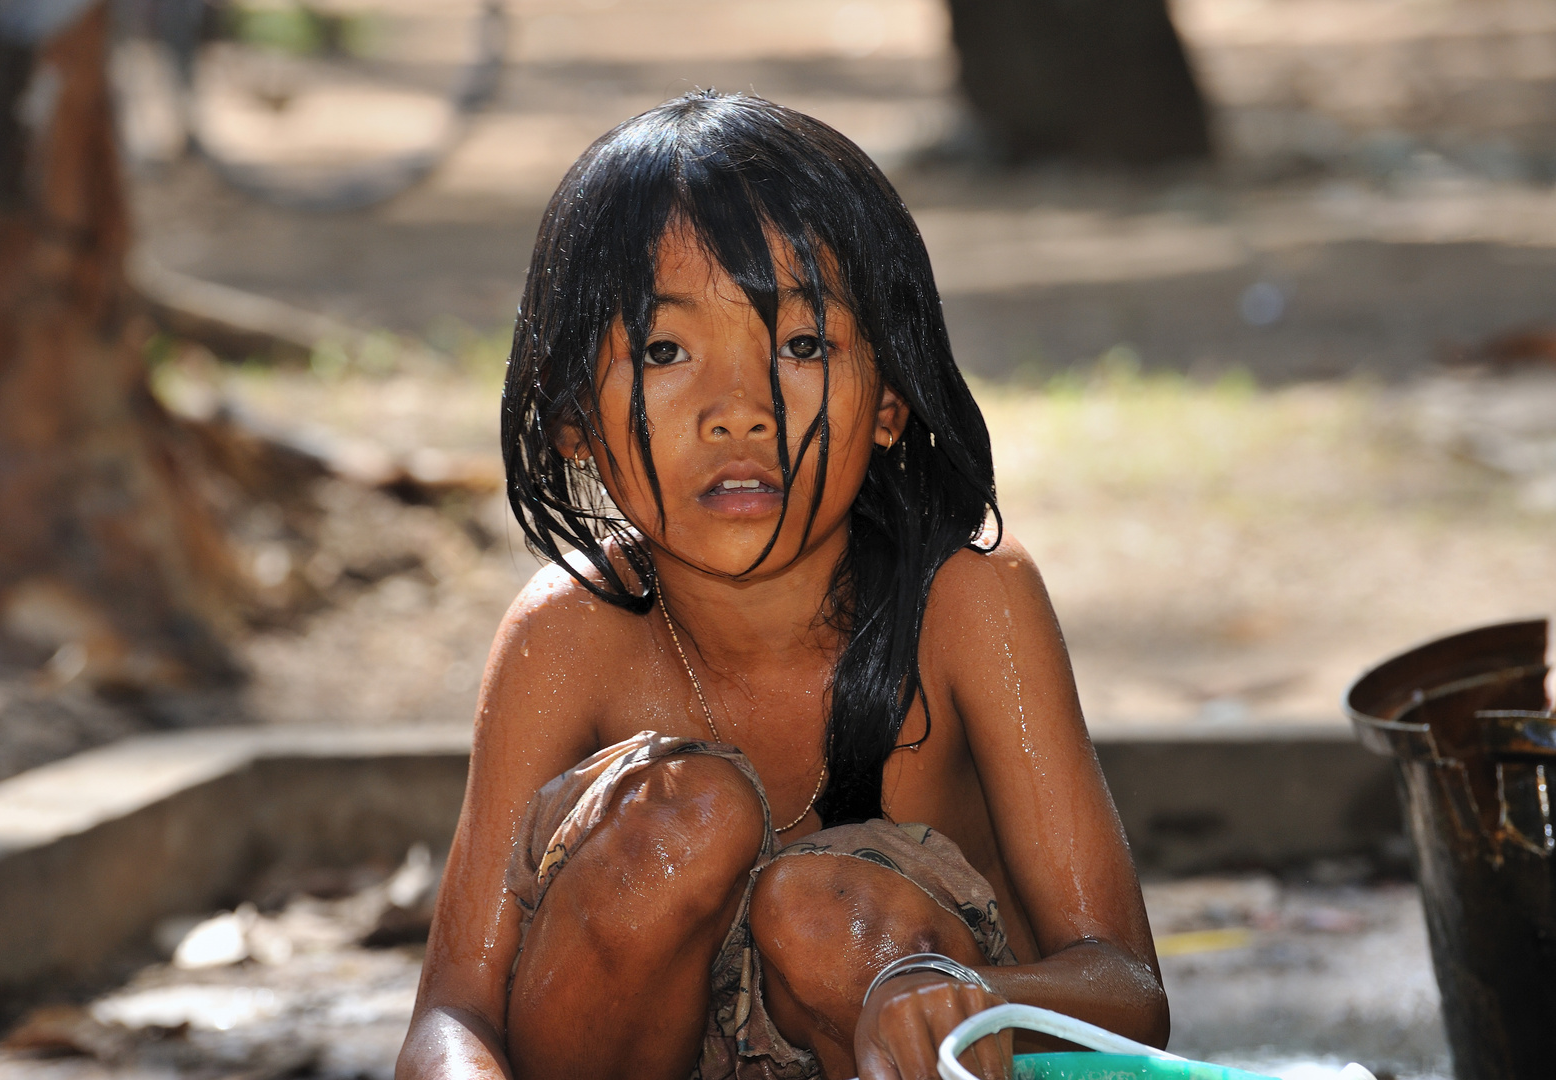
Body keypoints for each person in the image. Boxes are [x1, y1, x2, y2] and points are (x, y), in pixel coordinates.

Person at [398, 92, 1166, 1080]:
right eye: (666, 350)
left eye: (801, 347)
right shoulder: (566, 632)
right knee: (684, 818)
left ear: (889, 403)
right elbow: (453, 1014)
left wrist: (965, 1001)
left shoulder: (969, 604)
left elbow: (1128, 990)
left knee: (822, 918)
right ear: (573, 424)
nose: (740, 411)